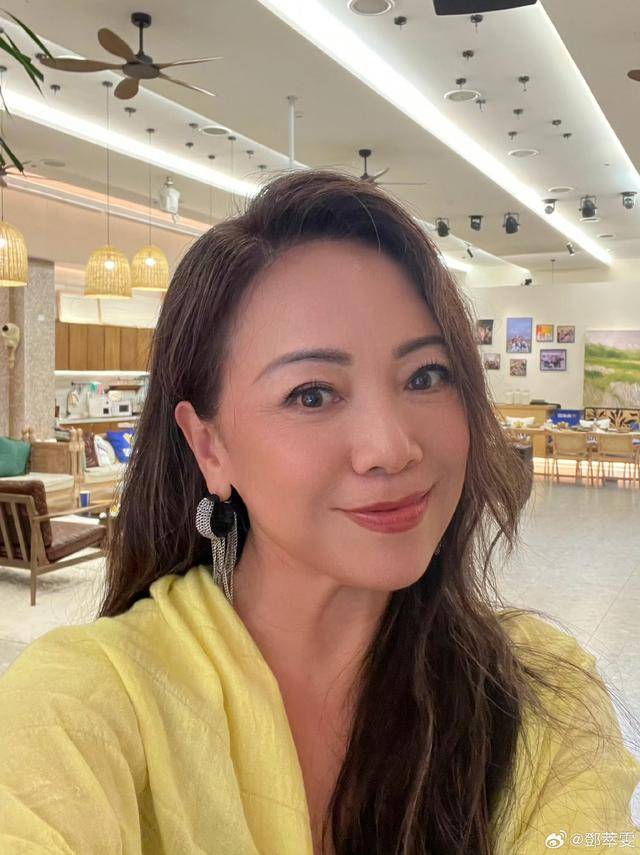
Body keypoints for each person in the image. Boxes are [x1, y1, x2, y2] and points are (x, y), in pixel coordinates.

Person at [0, 170, 638, 855]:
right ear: (209, 446)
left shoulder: (541, 701)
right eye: (312, 394)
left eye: (426, 376)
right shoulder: (88, 703)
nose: (391, 447)